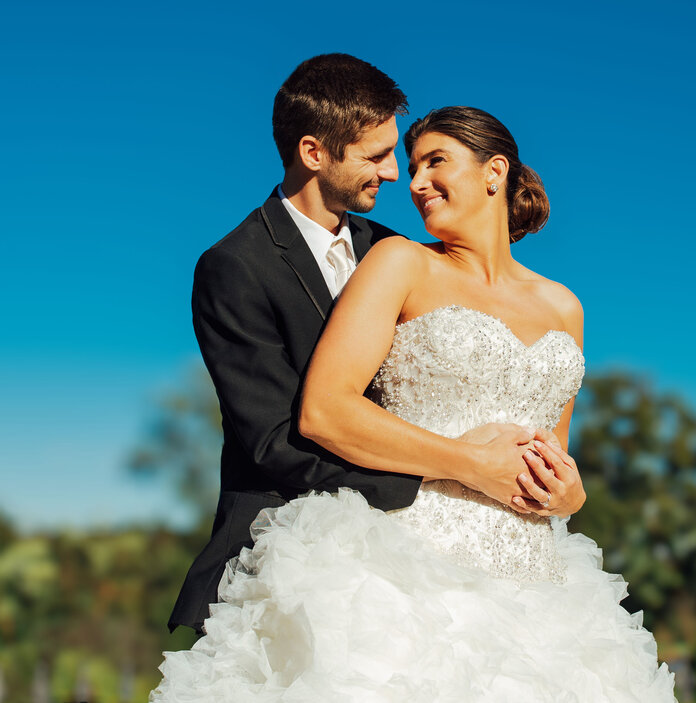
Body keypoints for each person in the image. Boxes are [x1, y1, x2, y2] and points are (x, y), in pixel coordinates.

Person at [151, 107, 676, 701]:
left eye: (435, 162)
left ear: (494, 172)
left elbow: (553, 451)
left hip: (538, 585)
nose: (414, 181)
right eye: (411, 163)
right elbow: (326, 410)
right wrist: (471, 463)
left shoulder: (565, 306)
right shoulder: (400, 261)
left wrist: (571, 495)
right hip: (407, 563)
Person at [169, 55, 585, 635]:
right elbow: (278, 438)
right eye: (379, 156)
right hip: (313, 542)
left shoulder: (399, 249)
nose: (398, 178)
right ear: (314, 152)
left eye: (417, 159)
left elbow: (550, 446)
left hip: (518, 555)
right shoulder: (237, 266)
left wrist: (563, 493)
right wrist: (455, 473)